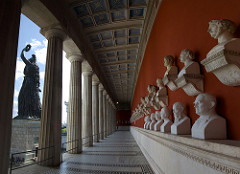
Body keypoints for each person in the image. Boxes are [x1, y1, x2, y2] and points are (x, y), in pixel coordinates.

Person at [17, 44, 42, 119]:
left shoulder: (31, 65)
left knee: (23, 98)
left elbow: (22, 56)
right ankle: (26, 113)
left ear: (32, 60)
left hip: (28, 84)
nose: (29, 59)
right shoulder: (36, 67)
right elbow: (37, 79)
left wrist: (24, 49)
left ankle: (26, 113)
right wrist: (37, 86)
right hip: (30, 84)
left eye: (30, 59)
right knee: (26, 98)